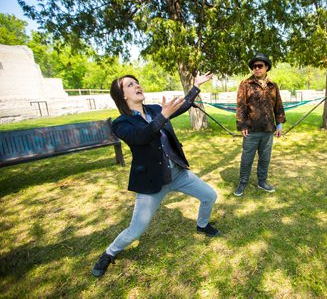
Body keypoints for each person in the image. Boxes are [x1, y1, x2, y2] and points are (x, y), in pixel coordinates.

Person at [92, 72, 219, 277]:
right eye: (130, 85)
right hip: (152, 183)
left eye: (137, 82)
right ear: (122, 95)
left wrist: (195, 86)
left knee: (209, 195)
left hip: (177, 174)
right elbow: (140, 137)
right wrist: (163, 116)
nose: (137, 85)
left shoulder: (154, 110)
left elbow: (183, 106)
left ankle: (202, 226)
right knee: (135, 231)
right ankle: (109, 253)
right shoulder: (121, 123)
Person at [233, 53, 286, 196]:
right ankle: (242, 183)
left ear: (266, 67)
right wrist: (242, 125)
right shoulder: (245, 84)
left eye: (260, 66)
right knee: (247, 158)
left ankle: (262, 182)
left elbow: (278, 105)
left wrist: (279, 123)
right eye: (254, 66)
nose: (257, 69)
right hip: (251, 129)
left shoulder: (273, 85)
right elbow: (241, 105)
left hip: (268, 129)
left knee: (265, 158)